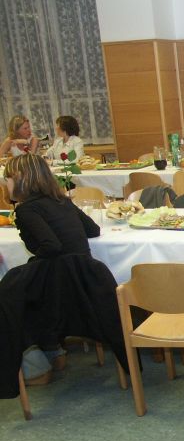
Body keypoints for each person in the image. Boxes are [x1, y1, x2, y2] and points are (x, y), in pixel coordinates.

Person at [2, 153, 100, 384]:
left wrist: (34, 265)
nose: (5, 184)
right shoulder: (62, 201)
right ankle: (52, 353)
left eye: (7, 179)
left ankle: (37, 368)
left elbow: (51, 245)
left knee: (8, 299)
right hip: (81, 276)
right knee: (28, 293)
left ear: (21, 178)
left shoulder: (27, 209)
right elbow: (93, 230)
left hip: (59, 277)